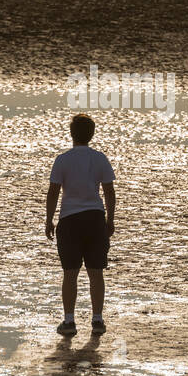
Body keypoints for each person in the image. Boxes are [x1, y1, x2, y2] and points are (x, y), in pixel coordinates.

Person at [45, 114, 115, 337]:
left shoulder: (63, 160)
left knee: (70, 272)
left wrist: (49, 218)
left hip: (70, 220)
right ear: (91, 134)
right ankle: (97, 319)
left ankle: (69, 320)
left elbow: (54, 192)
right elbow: (109, 192)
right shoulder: (99, 158)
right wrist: (110, 219)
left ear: (71, 133)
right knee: (96, 272)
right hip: (95, 218)